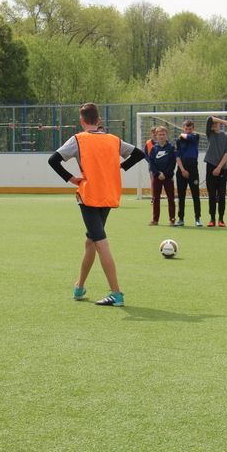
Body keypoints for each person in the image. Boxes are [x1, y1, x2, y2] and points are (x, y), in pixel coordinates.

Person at [48, 103, 145, 307]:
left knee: (100, 242)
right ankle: (79, 287)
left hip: (89, 195)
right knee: (90, 241)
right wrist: (119, 167)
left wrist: (71, 178)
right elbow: (139, 154)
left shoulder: (78, 139)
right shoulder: (113, 140)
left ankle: (116, 293)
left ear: (82, 121)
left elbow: (53, 160)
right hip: (108, 195)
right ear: (99, 120)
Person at [204, 116, 227, 227]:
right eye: (213, 123)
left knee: (221, 195)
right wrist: (224, 121)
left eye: (216, 123)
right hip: (210, 166)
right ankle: (212, 218)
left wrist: (219, 167)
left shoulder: (226, 136)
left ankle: (221, 219)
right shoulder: (209, 134)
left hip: (222, 168)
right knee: (211, 194)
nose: (214, 125)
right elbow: (209, 118)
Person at [174, 119, 202, 227]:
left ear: (193, 129)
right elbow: (177, 156)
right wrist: (182, 170)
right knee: (181, 196)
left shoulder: (195, 137)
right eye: (186, 129)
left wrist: (182, 134)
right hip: (182, 170)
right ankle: (181, 219)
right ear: (183, 128)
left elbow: (187, 137)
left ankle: (197, 218)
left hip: (193, 170)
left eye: (190, 129)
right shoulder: (178, 141)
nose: (188, 130)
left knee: (196, 195)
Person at [148, 126, 176, 226]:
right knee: (156, 198)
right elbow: (151, 162)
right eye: (159, 134)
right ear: (156, 136)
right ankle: (155, 220)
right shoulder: (153, 149)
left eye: (163, 134)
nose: (161, 136)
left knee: (171, 198)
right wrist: (158, 173)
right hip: (157, 177)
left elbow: (173, 163)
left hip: (168, 177)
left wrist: (166, 174)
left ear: (166, 135)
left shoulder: (171, 148)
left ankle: (172, 219)